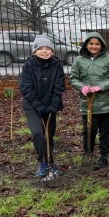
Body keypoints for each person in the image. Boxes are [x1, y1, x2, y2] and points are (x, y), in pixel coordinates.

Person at [70, 32, 109, 170]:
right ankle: (88, 154)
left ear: (102, 45)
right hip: (88, 103)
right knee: (89, 131)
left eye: (97, 44)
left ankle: (103, 157)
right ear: (86, 45)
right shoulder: (79, 60)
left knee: (105, 132)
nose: (94, 46)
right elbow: (73, 78)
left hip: (107, 103)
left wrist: (102, 86)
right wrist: (83, 87)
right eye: (91, 43)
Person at [19, 35, 66, 178]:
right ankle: (42, 161)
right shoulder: (29, 66)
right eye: (40, 48)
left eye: (48, 49)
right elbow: (26, 88)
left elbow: (59, 87)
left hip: (50, 105)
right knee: (38, 133)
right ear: (34, 52)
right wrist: (38, 106)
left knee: (49, 134)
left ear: (52, 52)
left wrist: (53, 105)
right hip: (32, 106)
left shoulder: (57, 65)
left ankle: (51, 161)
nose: (44, 51)